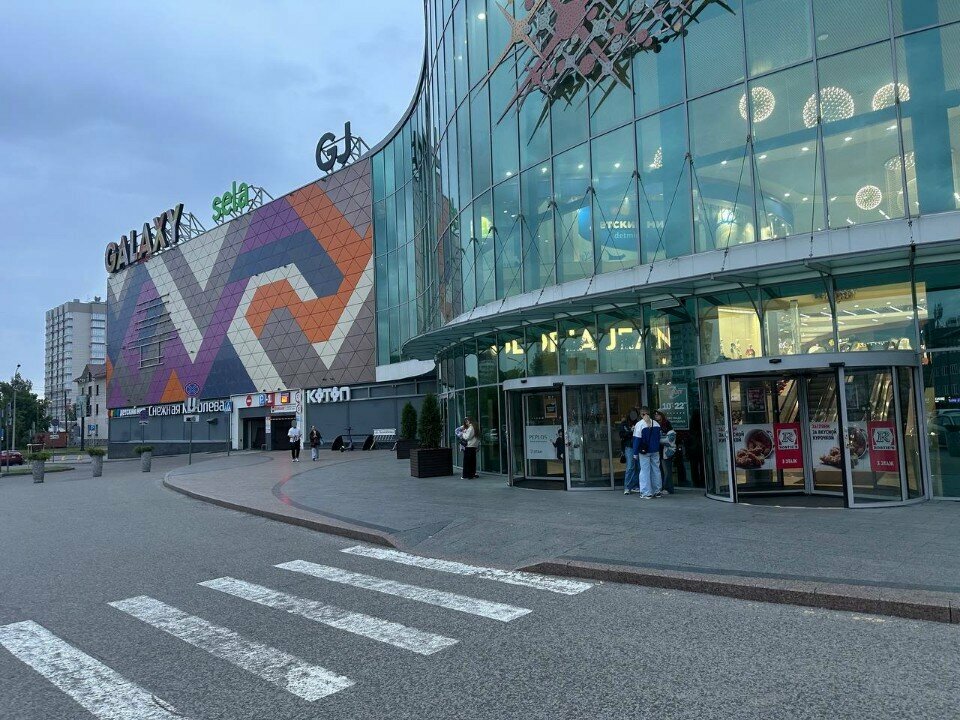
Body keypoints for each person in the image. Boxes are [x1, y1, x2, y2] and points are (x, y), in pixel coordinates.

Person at [632, 407, 662, 498]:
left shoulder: (639, 424)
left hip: (644, 451)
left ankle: (646, 492)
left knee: (644, 471)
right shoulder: (656, 424)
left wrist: (635, 453)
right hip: (655, 450)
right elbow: (659, 438)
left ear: (641, 414)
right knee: (656, 470)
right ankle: (657, 491)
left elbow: (637, 439)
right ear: (649, 413)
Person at [654, 410, 676, 495]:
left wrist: (658, 439)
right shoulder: (655, 424)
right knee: (661, 470)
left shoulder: (667, 424)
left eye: (658, 414)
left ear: (662, 415)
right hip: (659, 451)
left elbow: (670, 438)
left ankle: (668, 488)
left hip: (666, 451)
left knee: (667, 470)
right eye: (655, 414)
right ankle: (662, 487)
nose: (656, 416)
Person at [620, 411, 639, 495]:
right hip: (629, 446)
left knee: (638, 467)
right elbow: (622, 435)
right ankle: (627, 487)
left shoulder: (639, 423)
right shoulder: (624, 424)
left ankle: (635, 485)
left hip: (638, 446)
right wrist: (631, 431)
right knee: (630, 467)